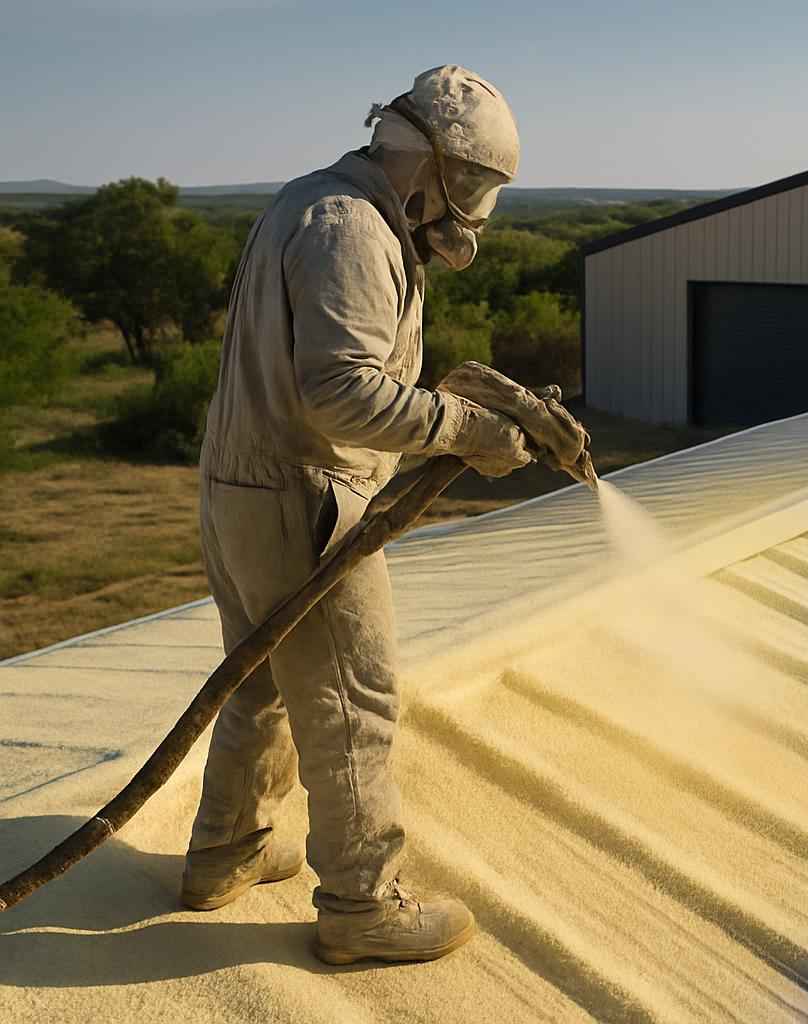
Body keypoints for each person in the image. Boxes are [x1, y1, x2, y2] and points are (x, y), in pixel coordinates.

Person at [182, 66, 569, 966]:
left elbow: (331, 372)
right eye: (471, 185)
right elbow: (341, 392)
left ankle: (223, 852)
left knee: (261, 681)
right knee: (354, 704)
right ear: (428, 164)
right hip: (304, 494)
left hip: (245, 487)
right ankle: (363, 904)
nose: (471, 210)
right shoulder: (355, 230)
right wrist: (466, 430)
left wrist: (449, 404)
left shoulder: (314, 202)